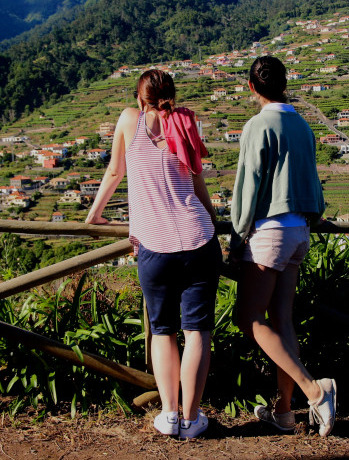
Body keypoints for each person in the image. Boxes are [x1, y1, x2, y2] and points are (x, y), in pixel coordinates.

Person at [86, 69, 220, 439]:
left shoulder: (130, 120)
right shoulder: (187, 122)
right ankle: (193, 421)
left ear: (139, 97)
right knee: (197, 333)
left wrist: (95, 216)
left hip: (155, 247)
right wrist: (214, 224)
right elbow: (197, 181)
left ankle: (170, 415)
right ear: (171, 94)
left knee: (163, 332)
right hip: (199, 241)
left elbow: (115, 171)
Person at [230, 56, 336, 437]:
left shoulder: (258, 126)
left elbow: (248, 186)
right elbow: (311, 177)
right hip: (300, 231)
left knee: (248, 318)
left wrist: (236, 235)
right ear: (285, 83)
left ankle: (314, 390)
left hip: (269, 232)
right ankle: (284, 411)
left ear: (252, 87)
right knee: (282, 320)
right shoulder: (302, 124)